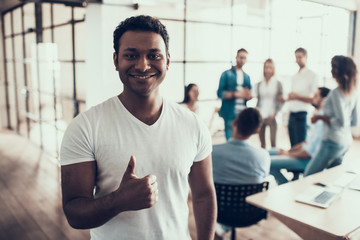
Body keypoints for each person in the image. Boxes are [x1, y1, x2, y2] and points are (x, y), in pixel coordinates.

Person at [60, 15, 216, 240]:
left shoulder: (193, 125)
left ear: (168, 60)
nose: (143, 65)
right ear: (116, 60)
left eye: (154, 55)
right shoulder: (85, 127)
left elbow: (203, 195)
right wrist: (118, 201)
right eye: (131, 55)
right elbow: (74, 214)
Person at [212, 108, 270, 238]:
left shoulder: (211, 152)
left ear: (235, 122)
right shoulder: (263, 156)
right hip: (250, 213)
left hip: (218, 211)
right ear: (257, 131)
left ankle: (222, 228)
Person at [304, 56, 358, 176]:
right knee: (331, 177)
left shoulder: (336, 93)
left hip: (331, 142)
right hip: (346, 142)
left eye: (333, 67)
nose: (331, 70)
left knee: (308, 176)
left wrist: (320, 117)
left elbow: (342, 122)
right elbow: (354, 122)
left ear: (338, 71)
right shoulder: (353, 93)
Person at [270, 87, 330, 185]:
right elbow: (306, 143)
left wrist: (287, 154)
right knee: (271, 151)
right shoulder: (317, 117)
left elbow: (308, 153)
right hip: (303, 154)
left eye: (316, 96)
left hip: (306, 160)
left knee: (268, 163)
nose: (312, 98)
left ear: (324, 100)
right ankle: (288, 185)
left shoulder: (321, 121)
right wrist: (288, 151)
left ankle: (286, 186)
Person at [217, 48, 252, 140]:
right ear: (236, 57)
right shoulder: (226, 74)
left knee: (241, 140)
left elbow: (249, 94)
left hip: (242, 113)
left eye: (245, 58)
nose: (242, 60)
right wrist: (236, 94)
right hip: (229, 113)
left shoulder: (247, 77)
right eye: (241, 57)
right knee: (230, 140)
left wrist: (248, 95)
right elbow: (219, 93)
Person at [287, 47, 318, 147]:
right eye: (296, 57)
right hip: (291, 113)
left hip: (302, 114)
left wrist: (297, 96)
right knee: (293, 146)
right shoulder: (294, 76)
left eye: (300, 57)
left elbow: (315, 99)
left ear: (306, 57)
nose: (297, 60)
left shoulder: (312, 75)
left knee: (300, 145)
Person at [255, 58, 284, 149]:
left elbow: (281, 101)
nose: (268, 70)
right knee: (262, 144)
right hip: (262, 115)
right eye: (266, 67)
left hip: (273, 116)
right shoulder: (260, 84)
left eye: (270, 68)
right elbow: (259, 100)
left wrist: (276, 113)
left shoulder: (278, 84)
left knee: (273, 143)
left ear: (273, 69)